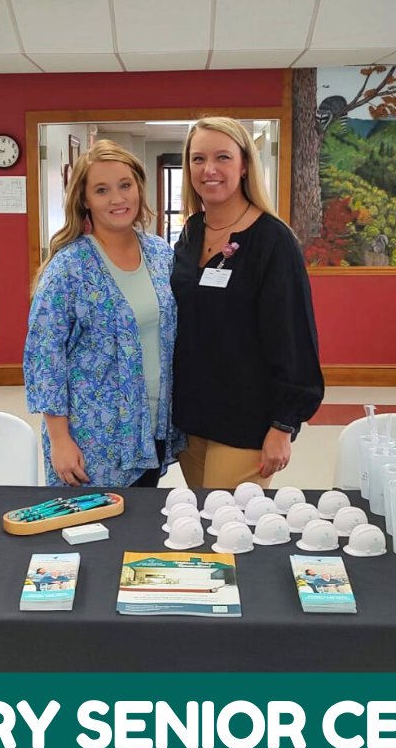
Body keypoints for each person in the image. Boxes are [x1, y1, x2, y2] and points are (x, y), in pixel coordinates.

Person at [171, 117, 324, 489]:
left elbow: (294, 338)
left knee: (229, 531)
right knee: (200, 528)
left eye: (223, 157)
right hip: (191, 418)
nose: (209, 169)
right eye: (197, 159)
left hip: (246, 421)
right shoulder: (190, 234)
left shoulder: (273, 241)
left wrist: (283, 425)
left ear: (244, 166)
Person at [24, 141, 183, 488]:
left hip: (150, 426)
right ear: (84, 199)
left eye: (125, 185)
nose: (117, 198)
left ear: (139, 188)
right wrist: (60, 439)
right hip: (90, 439)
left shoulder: (159, 255)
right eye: (102, 189)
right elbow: (45, 359)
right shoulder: (68, 268)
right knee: (92, 535)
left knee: (137, 529)